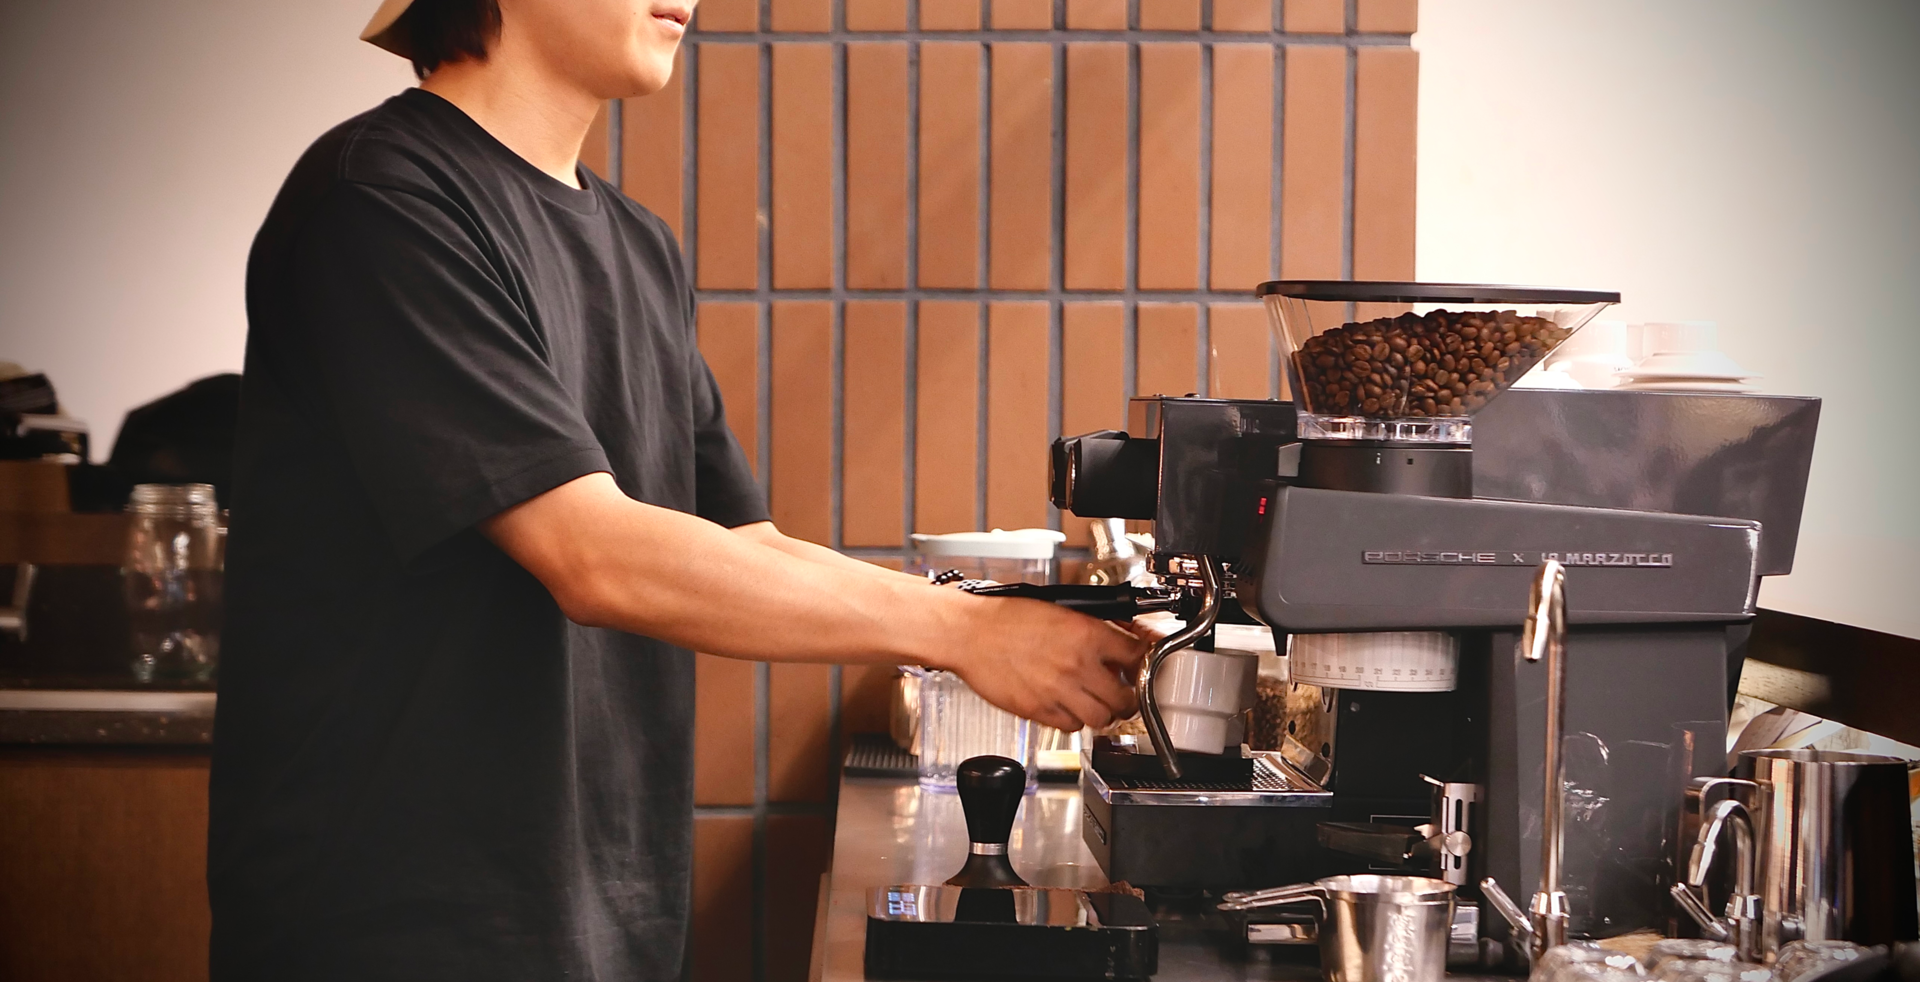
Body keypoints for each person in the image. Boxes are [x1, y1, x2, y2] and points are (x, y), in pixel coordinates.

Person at [207, 0, 1146, 978]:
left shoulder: (638, 246)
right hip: (398, 925)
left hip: (603, 916)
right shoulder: (381, 201)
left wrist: (1002, 622)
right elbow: (591, 554)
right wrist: (964, 632)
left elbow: (746, 546)